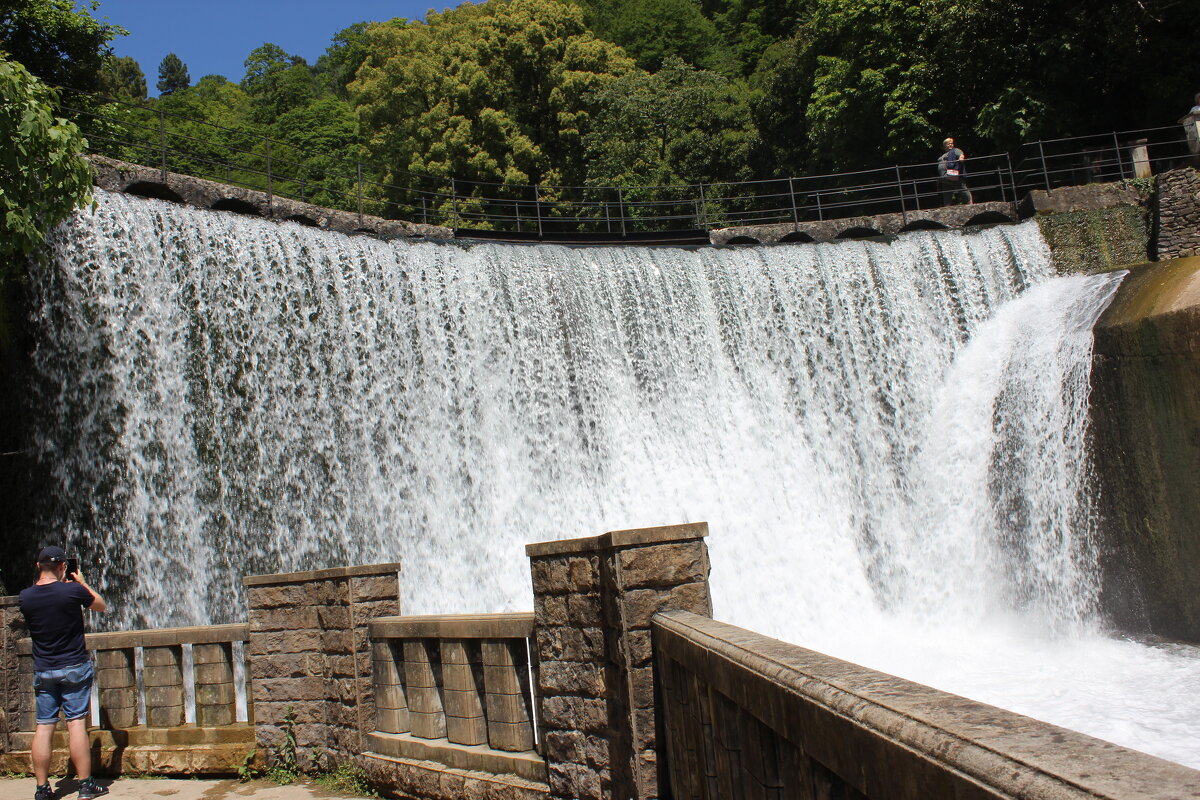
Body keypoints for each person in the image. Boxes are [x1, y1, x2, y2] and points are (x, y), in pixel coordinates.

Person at [18, 547, 107, 800]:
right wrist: (82, 583)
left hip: (44, 669)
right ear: (63, 567)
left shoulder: (26, 597)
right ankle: (86, 786)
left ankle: (42, 789)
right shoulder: (72, 591)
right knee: (76, 723)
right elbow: (100, 605)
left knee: (44, 727)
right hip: (74, 666)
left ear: (38, 566)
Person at [937, 137, 973, 205]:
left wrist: (961, 158)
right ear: (945, 145)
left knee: (962, 188)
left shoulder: (955, 150)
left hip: (952, 174)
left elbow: (961, 155)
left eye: (951, 143)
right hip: (944, 177)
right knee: (947, 192)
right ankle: (947, 206)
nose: (950, 145)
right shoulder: (943, 155)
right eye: (948, 144)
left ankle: (970, 203)